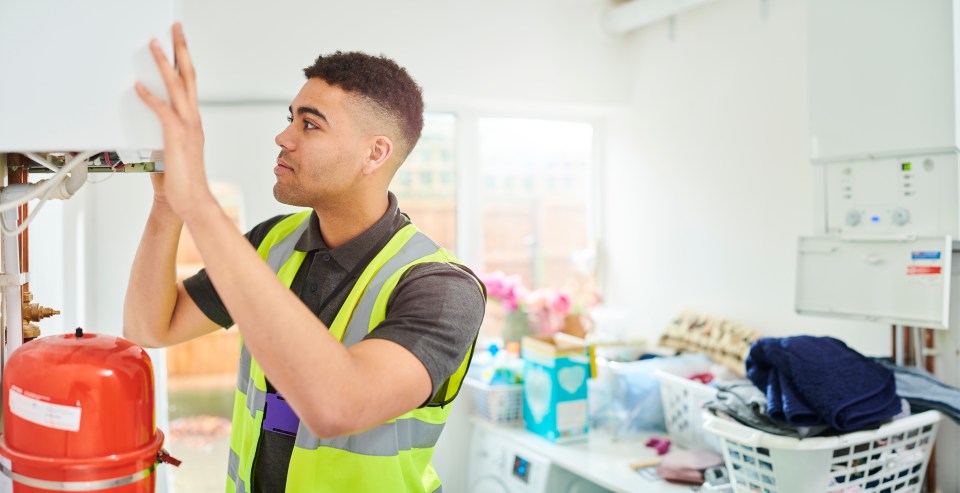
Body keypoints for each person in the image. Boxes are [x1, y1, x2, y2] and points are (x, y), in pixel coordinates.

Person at [123, 23, 485, 493]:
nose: (283, 136)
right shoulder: (272, 242)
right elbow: (150, 327)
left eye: (309, 124)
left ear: (374, 153)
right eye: (290, 117)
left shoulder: (441, 289)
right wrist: (168, 204)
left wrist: (200, 202)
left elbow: (339, 406)